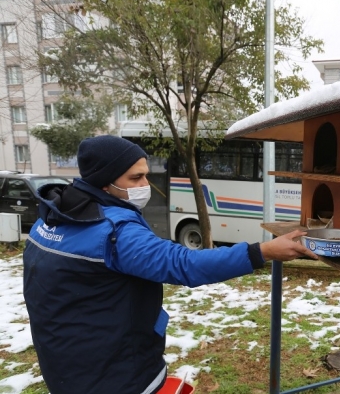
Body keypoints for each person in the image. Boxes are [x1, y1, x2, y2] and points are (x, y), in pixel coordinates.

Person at [22, 135, 317, 394]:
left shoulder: (51, 217)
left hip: (63, 365)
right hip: (115, 375)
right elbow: (184, 264)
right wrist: (262, 251)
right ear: (104, 182)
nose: (145, 185)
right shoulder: (113, 232)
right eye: (135, 178)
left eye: (146, 176)